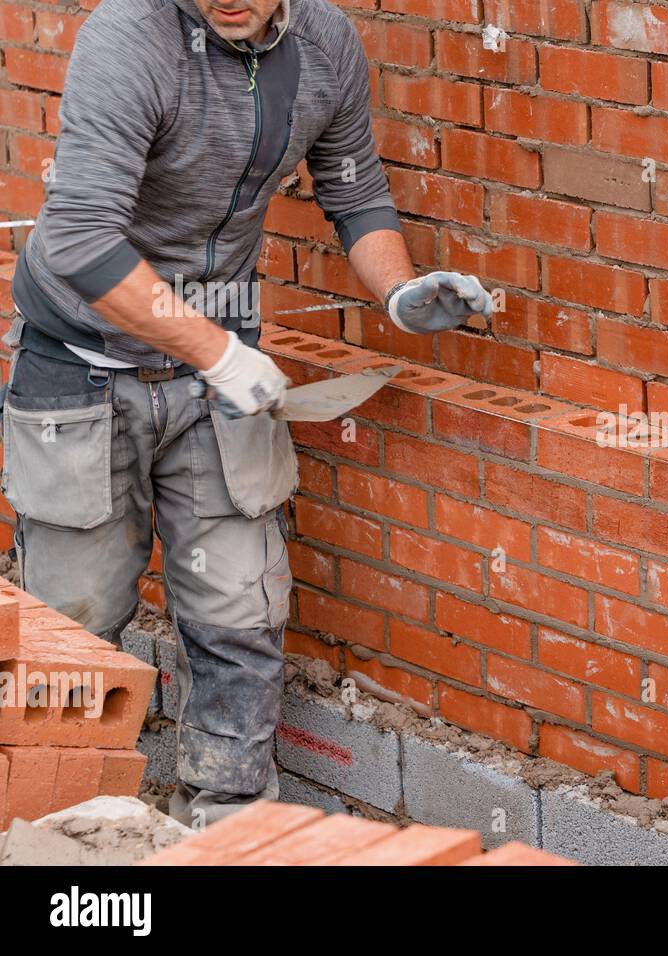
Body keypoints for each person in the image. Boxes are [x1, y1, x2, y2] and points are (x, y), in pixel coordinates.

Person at [1, 0, 490, 825]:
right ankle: (59, 839)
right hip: (84, 373)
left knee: (241, 617)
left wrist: (401, 296)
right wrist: (221, 354)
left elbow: (354, 187)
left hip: (217, 386)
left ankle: (231, 831)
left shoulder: (326, 45)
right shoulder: (131, 37)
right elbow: (82, 239)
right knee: (72, 639)